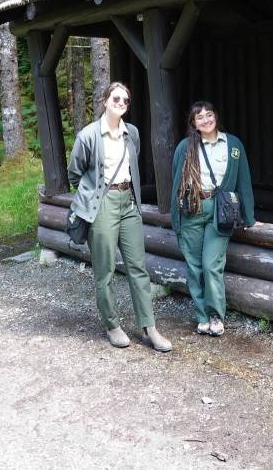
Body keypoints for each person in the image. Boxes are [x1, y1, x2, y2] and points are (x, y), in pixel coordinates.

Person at [68, 82, 172, 352]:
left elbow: (133, 164)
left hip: (129, 203)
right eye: (116, 98)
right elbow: (74, 173)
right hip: (102, 203)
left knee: (138, 268)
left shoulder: (132, 133)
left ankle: (149, 327)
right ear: (105, 101)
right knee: (105, 270)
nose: (121, 104)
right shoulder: (89, 135)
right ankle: (112, 325)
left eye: (126, 101)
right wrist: (93, 194)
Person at [170, 101, 256, 336]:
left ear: (215, 117)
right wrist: (175, 218)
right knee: (194, 266)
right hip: (191, 208)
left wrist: (248, 216)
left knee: (211, 265)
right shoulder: (185, 147)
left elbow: (243, 180)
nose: (206, 120)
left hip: (220, 211)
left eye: (209, 115)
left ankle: (216, 315)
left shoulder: (233, 145)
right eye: (200, 117)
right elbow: (176, 183)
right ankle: (202, 316)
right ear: (193, 123)